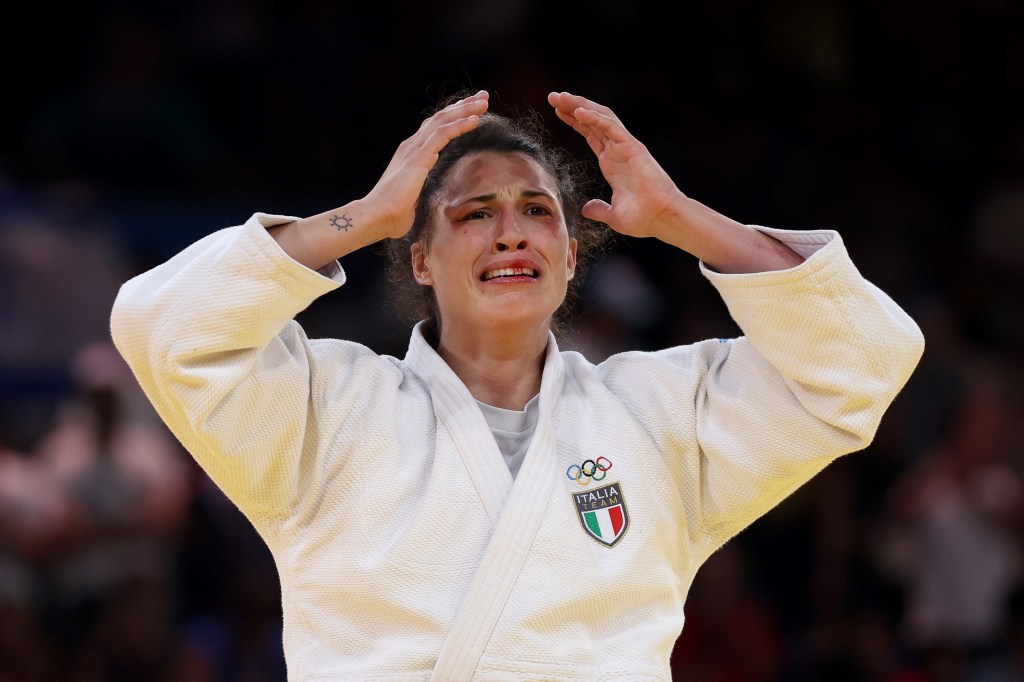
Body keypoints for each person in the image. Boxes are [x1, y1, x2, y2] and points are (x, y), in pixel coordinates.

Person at [110, 89, 925, 680]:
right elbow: (162, 326)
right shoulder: (328, 409)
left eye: (538, 211)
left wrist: (681, 218)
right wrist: (365, 213)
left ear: (572, 254)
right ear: (419, 257)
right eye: (474, 213)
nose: (510, 231)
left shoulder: (659, 416)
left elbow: (866, 360)